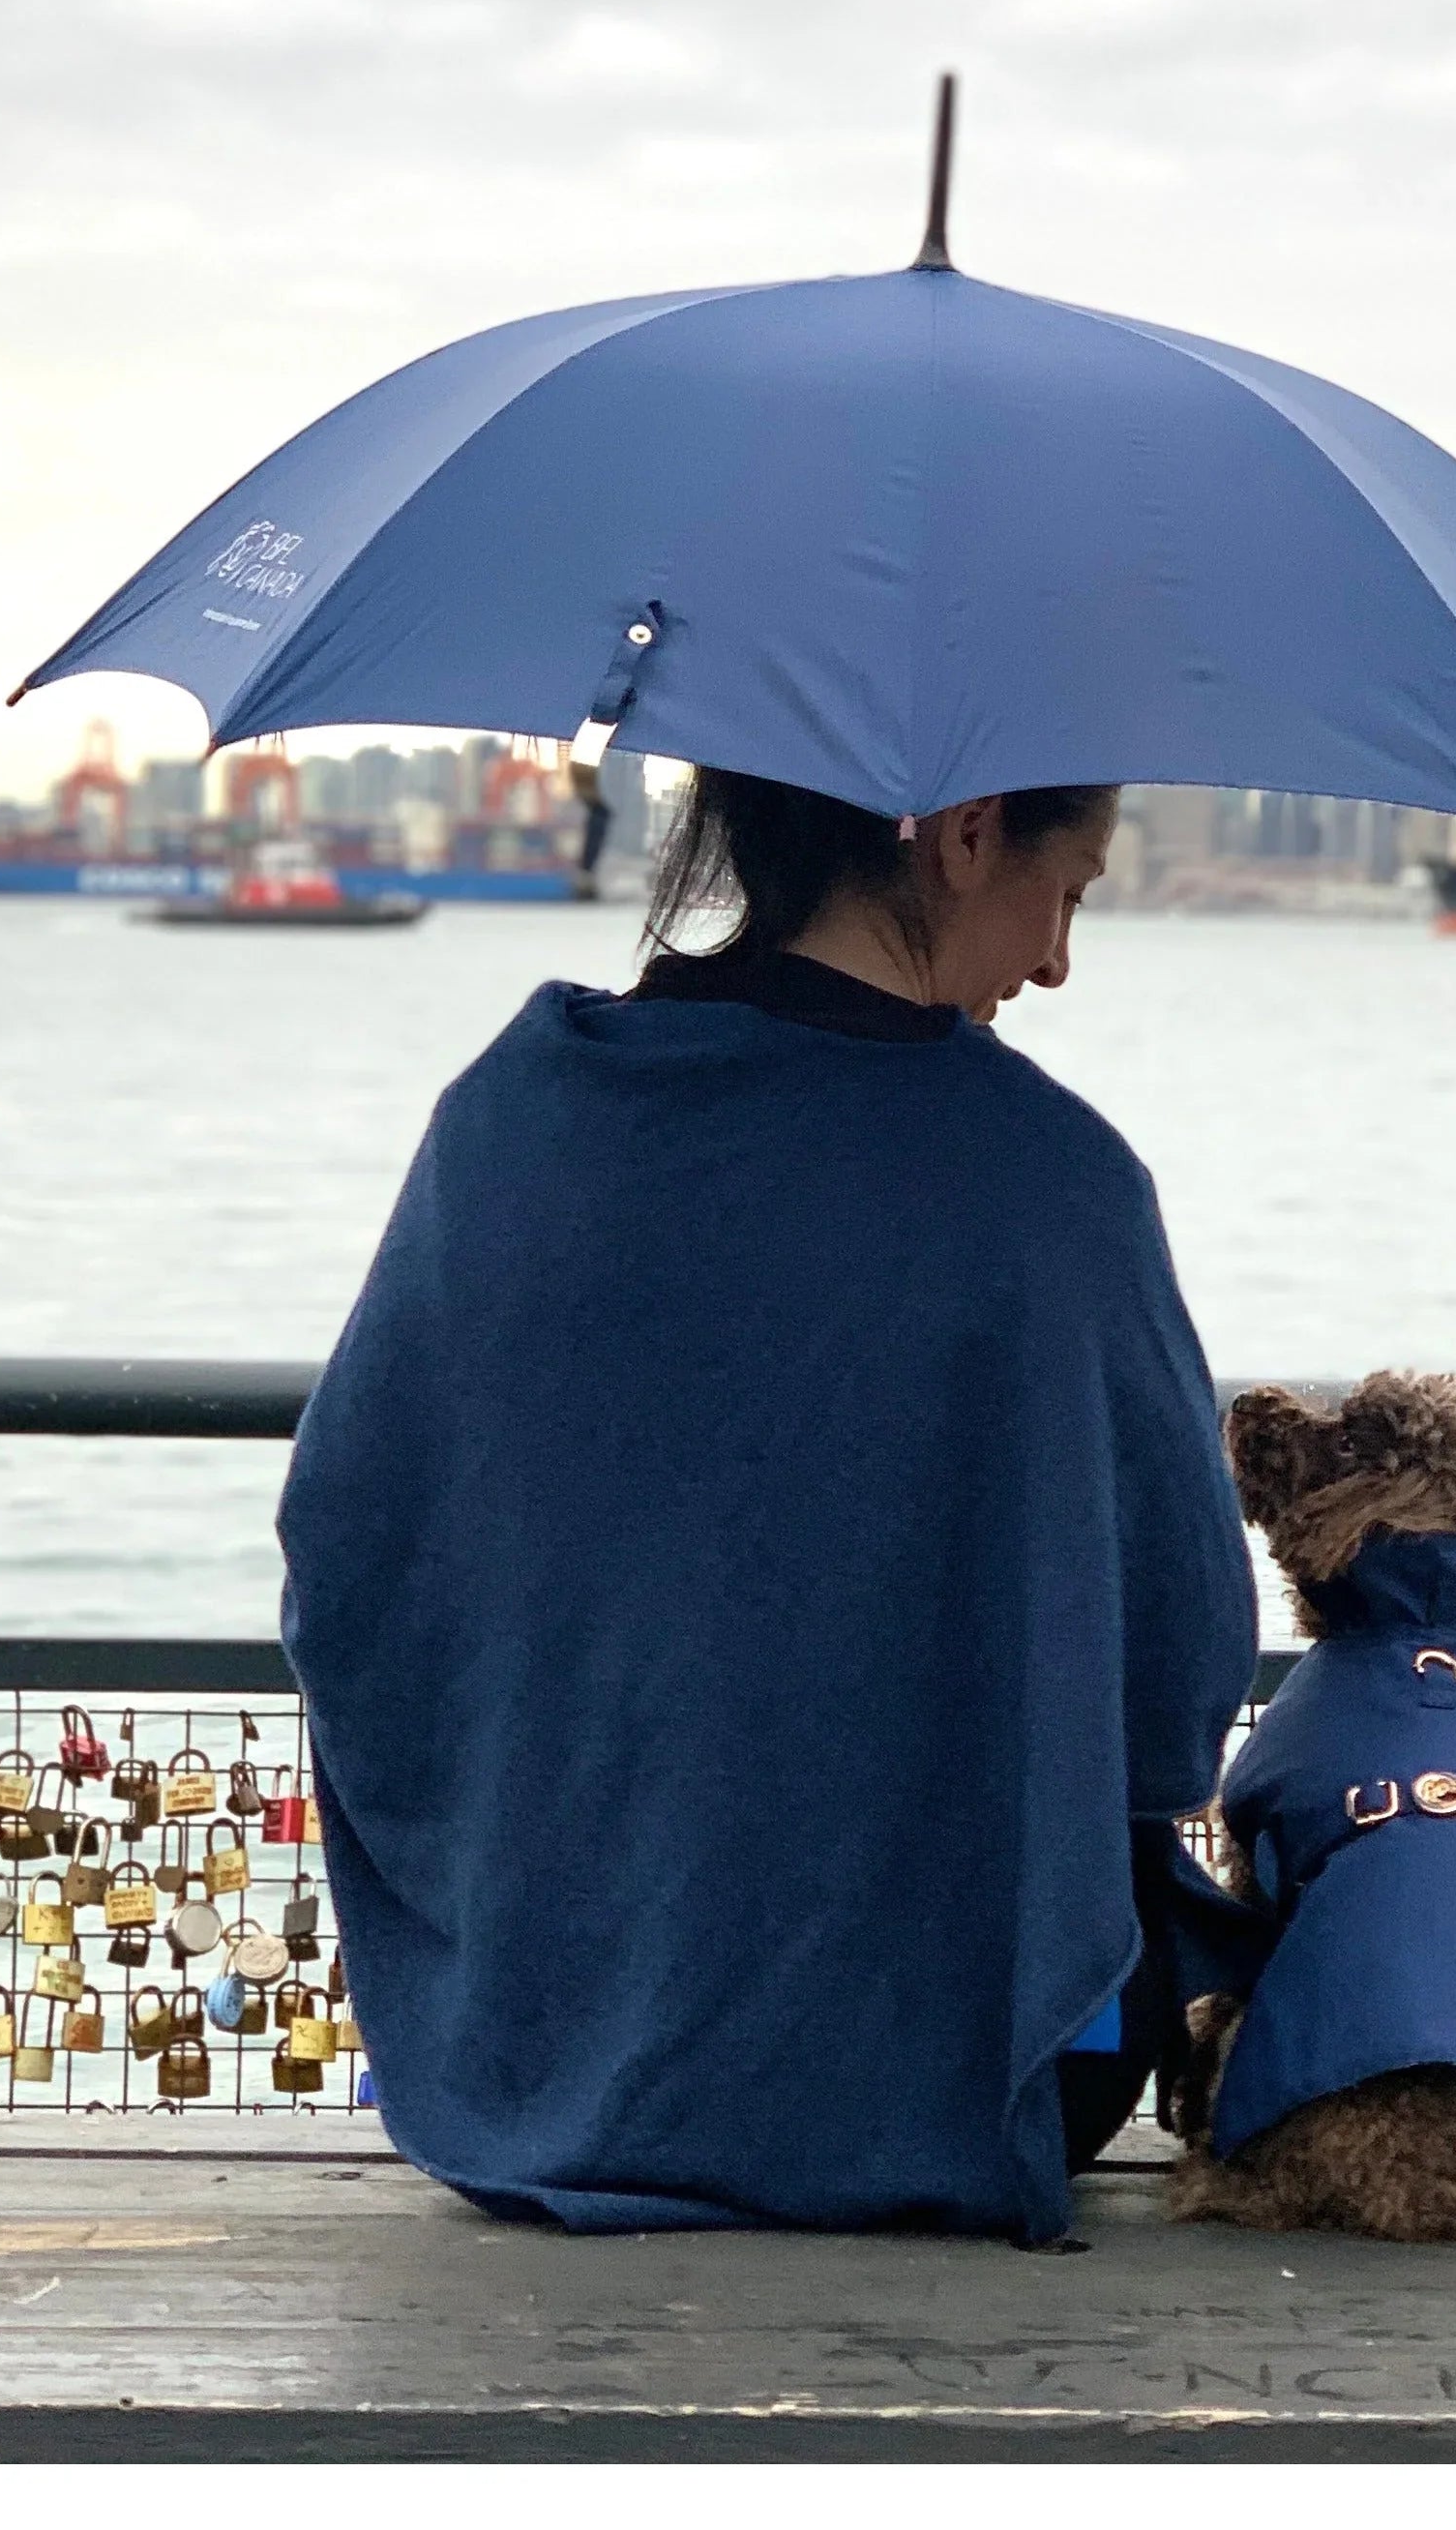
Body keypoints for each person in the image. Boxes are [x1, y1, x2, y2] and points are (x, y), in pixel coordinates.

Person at [278, 769, 1257, 2244]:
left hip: (519, 2072)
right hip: (970, 2090)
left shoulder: (513, 1119)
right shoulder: (1051, 1179)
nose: (1056, 959)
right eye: (1074, 890)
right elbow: (1184, 1678)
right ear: (969, 828)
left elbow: (345, 1557)